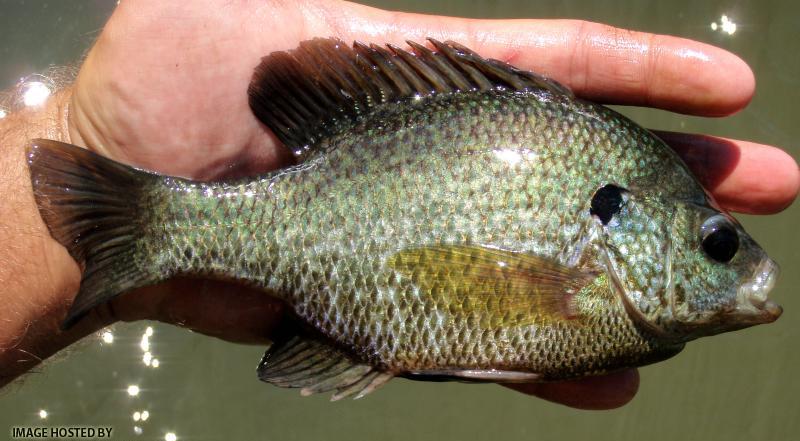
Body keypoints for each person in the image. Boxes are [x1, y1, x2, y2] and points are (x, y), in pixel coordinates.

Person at [0, 0, 796, 409]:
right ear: (627, 220)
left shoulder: (630, 307)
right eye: (717, 242)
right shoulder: (602, 275)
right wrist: (81, 131)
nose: (749, 271)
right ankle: (137, 227)